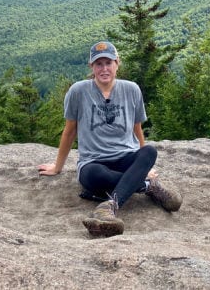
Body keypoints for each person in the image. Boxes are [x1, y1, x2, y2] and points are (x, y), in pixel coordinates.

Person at [37, 41, 182, 237]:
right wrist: (57, 167)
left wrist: (144, 166)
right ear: (91, 67)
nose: (104, 69)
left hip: (125, 156)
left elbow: (136, 126)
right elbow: (70, 130)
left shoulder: (132, 89)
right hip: (94, 161)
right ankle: (146, 186)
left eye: (109, 63)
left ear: (117, 64)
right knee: (93, 176)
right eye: (99, 64)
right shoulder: (78, 91)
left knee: (149, 152)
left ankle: (108, 208)